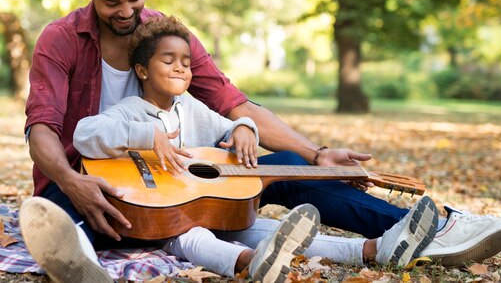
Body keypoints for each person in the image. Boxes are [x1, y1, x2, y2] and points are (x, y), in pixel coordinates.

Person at [20, 0, 501, 278]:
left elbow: (234, 104)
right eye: (113, 3)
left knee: (280, 167)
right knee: (63, 216)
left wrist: (312, 150)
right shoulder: (61, 40)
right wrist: (70, 181)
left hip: (178, 182)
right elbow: (42, 130)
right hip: (88, 179)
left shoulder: (165, 38)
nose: (127, 12)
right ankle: (81, 261)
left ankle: (434, 226)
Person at [20, 15, 439, 283]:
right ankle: (248, 263)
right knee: (196, 238)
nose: (182, 67)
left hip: (199, 208)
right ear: (143, 70)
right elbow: (87, 134)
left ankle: (375, 249)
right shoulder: (129, 111)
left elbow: (231, 121)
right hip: (159, 217)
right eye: (169, 61)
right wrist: (147, 138)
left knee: (262, 227)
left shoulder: (193, 110)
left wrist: (243, 128)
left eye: (186, 61)